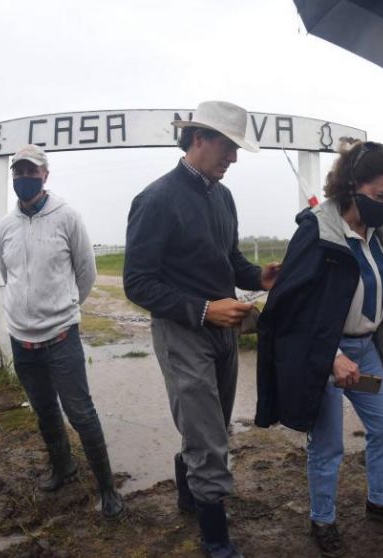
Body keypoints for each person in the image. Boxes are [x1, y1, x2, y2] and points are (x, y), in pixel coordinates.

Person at [255, 141, 383, 557]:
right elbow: (291, 312)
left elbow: (376, 295)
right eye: (381, 196)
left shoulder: (375, 234)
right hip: (326, 361)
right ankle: (322, 519)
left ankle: (379, 501)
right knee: (328, 446)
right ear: (351, 187)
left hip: (362, 356)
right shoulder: (318, 234)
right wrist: (331, 358)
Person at [124, 100, 278, 558]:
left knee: (213, 426)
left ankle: (191, 492)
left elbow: (227, 260)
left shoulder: (221, 195)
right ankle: (216, 541)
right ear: (198, 139)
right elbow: (137, 282)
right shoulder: (156, 200)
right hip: (182, 332)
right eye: (228, 147)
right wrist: (203, 309)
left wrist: (257, 277)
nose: (233, 158)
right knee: (209, 437)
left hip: (222, 331)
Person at [0, 144, 124, 520]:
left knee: (81, 414)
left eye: (31, 171)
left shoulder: (67, 217)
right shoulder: (5, 227)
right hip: (22, 341)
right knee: (44, 411)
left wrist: (63, 307)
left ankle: (107, 488)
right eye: (18, 172)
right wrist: (26, 310)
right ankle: (63, 467)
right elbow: (7, 275)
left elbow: (86, 274)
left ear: (45, 175)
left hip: (61, 337)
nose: (24, 178)